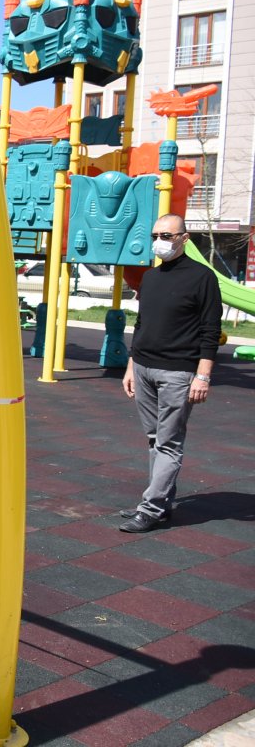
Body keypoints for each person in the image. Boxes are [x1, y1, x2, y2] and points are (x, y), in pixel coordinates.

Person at [119, 214, 221, 533]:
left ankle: (150, 507)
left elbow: (210, 329)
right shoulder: (151, 277)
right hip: (145, 367)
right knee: (154, 438)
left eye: (167, 235)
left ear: (184, 238)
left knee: (168, 441)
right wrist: (131, 366)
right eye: (156, 234)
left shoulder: (202, 278)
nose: (159, 240)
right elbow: (141, 325)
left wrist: (202, 375)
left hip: (178, 373)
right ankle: (161, 502)